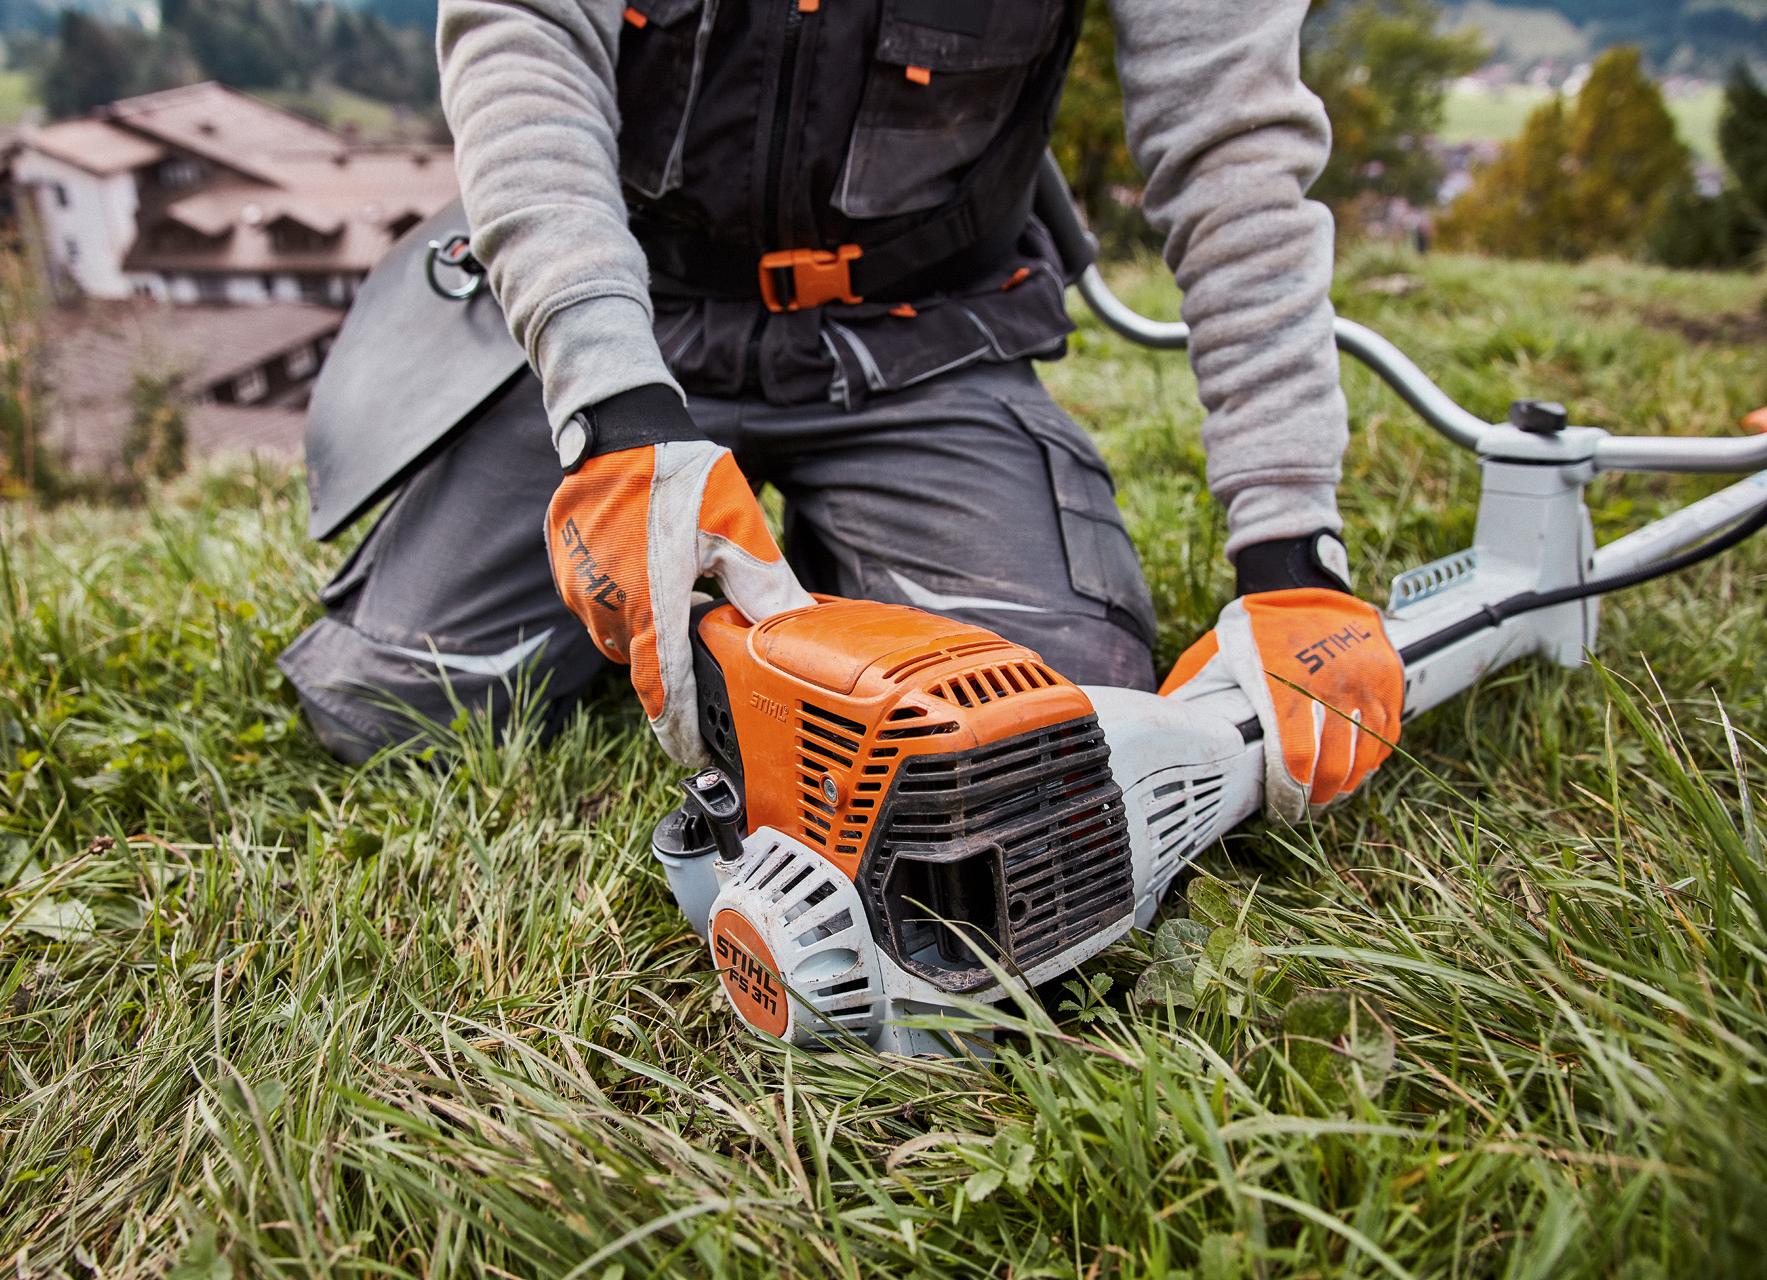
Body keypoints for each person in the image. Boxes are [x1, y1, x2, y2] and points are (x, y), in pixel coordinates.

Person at [278, 0, 1404, 822]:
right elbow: (522, 45)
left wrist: (1290, 547)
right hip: (634, 306)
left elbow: (1234, 151)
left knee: (1044, 728)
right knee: (391, 704)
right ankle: (721, 591)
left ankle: (823, 562)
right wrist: (611, 412)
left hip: (918, 340)